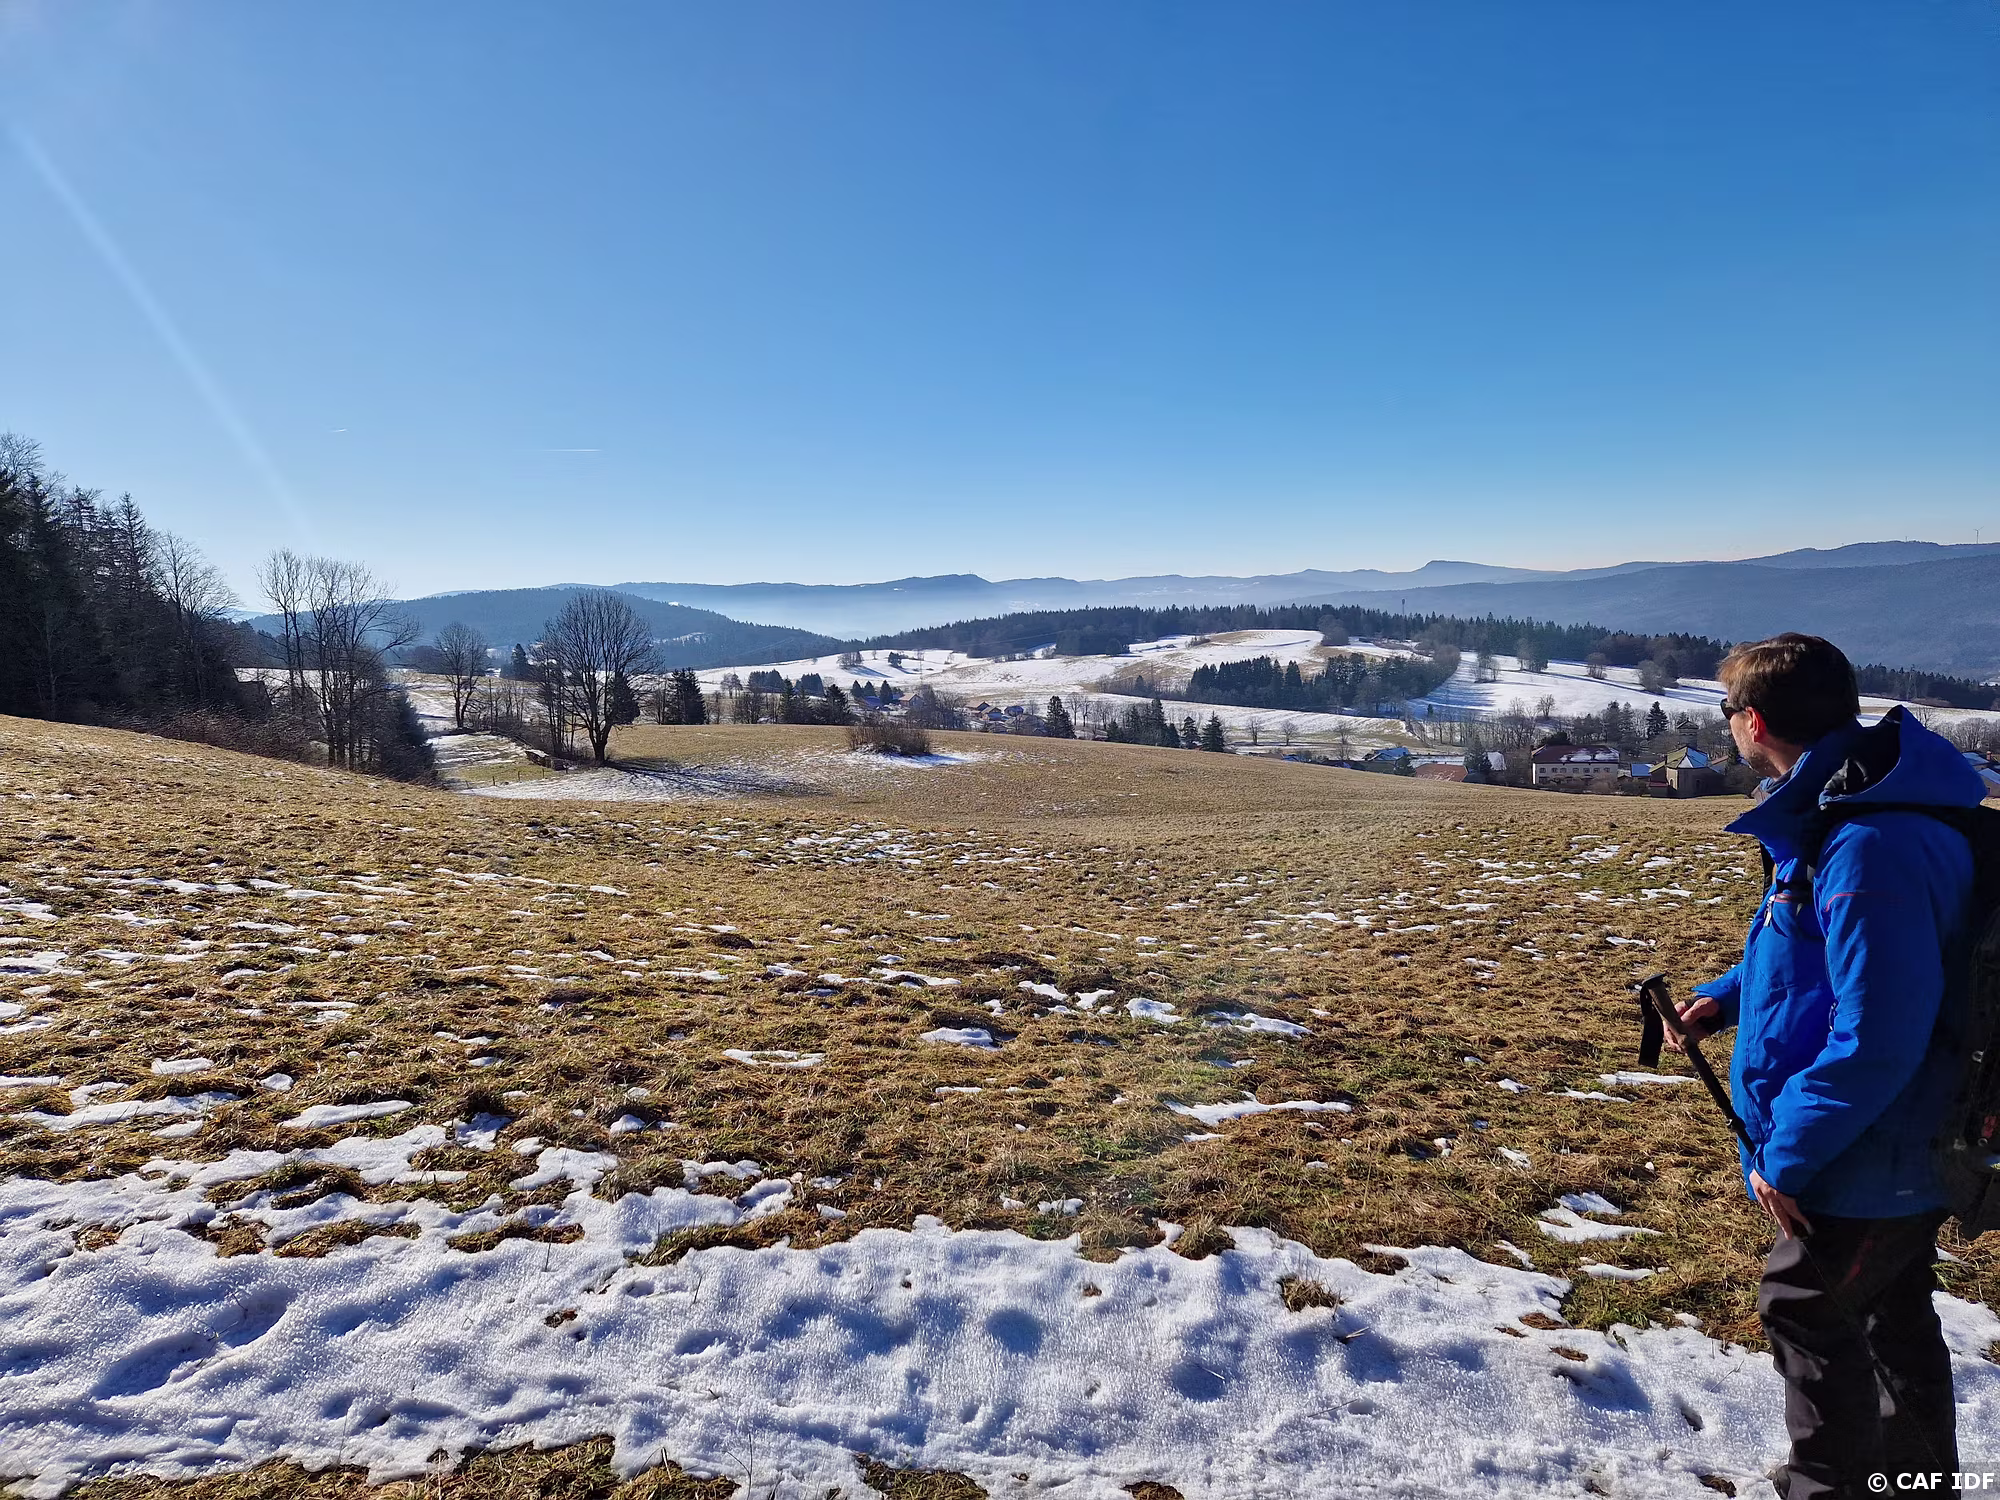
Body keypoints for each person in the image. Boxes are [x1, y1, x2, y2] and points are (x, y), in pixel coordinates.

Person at [1674, 633, 1985, 1499]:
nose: (1728, 725)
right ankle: (1912, 1483)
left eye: (1727, 711)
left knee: (1809, 1310)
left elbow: (1879, 1031)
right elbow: (1818, 951)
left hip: (1874, 1148)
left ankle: (1831, 1485)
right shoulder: (1850, 810)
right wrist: (1723, 998)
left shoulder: (1866, 843)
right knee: (1888, 1312)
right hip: (1896, 1132)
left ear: (1754, 721)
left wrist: (1788, 1154)